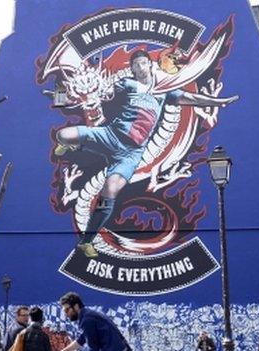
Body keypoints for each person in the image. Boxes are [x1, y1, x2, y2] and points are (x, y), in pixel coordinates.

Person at [54, 49, 239, 257]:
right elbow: (108, 92)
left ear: (150, 65)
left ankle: (86, 241)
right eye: (136, 64)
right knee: (62, 135)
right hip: (111, 135)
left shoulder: (164, 91)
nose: (140, 67)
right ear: (132, 69)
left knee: (110, 191)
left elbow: (192, 98)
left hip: (131, 153)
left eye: (144, 63)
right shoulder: (127, 84)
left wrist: (217, 102)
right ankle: (73, 146)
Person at [59, 292, 131, 351]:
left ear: (76, 306)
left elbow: (93, 348)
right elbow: (82, 338)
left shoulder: (86, 320)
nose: (66, 314)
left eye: (67, 310)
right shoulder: (89, 314)